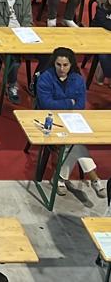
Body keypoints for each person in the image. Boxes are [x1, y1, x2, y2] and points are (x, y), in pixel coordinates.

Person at [36, 46, 104, 197]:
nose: (62, 68)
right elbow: (47, 104)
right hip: (50, 120)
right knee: (74, 143)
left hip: (72, 119)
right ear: (53, 64)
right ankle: (94, 178)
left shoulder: (78, 79)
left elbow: (80, 105)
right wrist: (69, 103)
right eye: (58, 64)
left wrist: (66, 104)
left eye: (65, 65)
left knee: (72, 142)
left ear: (71, 65)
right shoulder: (45, 78)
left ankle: (59, 178)